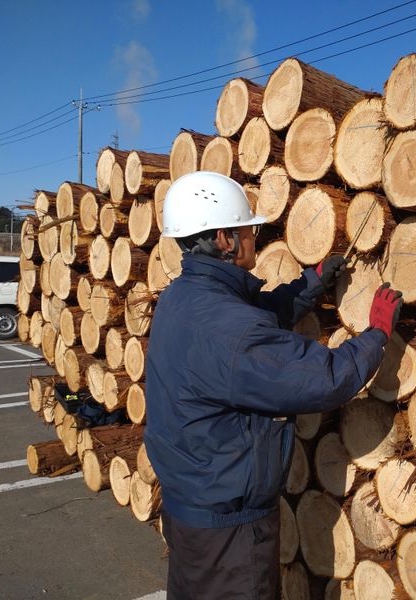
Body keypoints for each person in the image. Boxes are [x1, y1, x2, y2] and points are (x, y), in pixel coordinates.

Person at [143, 171, 402, 599]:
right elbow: (326, 377)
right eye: (248, 229)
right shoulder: (230, 330)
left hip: (190, 510)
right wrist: (376, 334)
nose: (254, 237)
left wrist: (308, 284)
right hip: (228, 535)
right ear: (225, 239)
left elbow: (253, 317)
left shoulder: (184, 298)